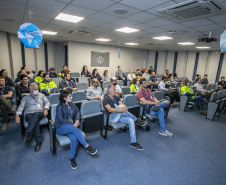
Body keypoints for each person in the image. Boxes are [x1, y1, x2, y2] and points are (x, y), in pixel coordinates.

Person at [55, 90, 97, 169]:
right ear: (64, 98)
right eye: (70, 96)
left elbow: (78, 112)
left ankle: (71, 158)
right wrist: (73, 124)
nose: (71, 97)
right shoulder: (59, 106)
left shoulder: (71, 104)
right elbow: (60, 119)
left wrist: (77, 120)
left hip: (70, 128)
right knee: (74, 128)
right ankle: (86, 146)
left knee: (74, 138)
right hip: (60, 127)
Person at [103, 85, 145, 150]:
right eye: (114, 90)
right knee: (120, 107)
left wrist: (124, 107)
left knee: (130, 120)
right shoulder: (105, 100)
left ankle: (133, 142)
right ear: (109, 91)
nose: (116, 91)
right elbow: (110, 109)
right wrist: (119, 110)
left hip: (120, 115)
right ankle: (136, 119)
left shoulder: (116, 97)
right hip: (112, 117)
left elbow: (122, 104)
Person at [15, 83, 50, 152]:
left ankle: (28, 133)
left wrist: (46, 108)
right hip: (29, 114)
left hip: (40, 112)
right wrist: (17, 115)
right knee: (35, 122)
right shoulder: (25, 98)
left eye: (37, 89)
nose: (37, 90)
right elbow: (21, 106)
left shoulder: (41, 95)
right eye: (35, 89)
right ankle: (38, 142)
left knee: (36, 114)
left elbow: (47, 102)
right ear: (30, 90)